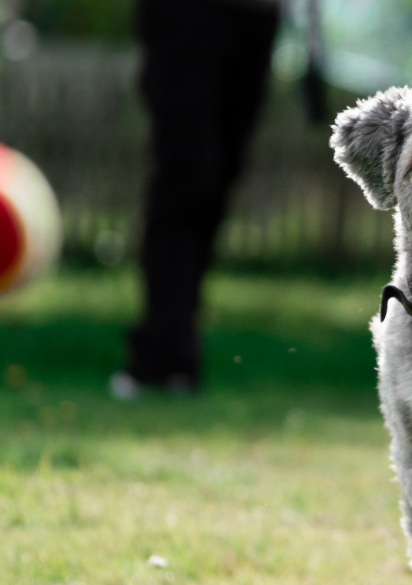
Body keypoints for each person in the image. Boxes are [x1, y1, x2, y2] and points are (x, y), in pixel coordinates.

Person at [111, 0, 281, 398]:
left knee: (219, 180)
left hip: (258, 15)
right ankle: (167, 355)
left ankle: (169, 344)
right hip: (188, 12)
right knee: (188, 175)